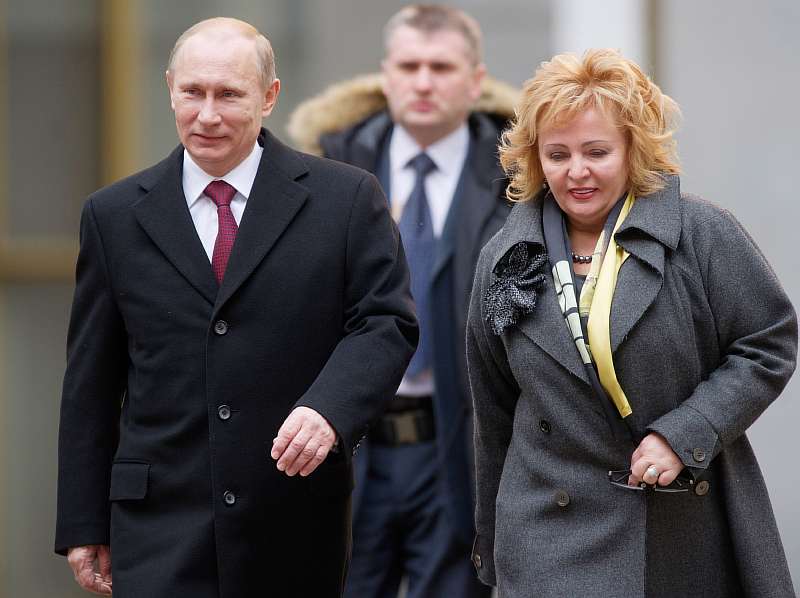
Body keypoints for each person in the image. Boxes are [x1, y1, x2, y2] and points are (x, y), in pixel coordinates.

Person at [54, 17, 417, 598]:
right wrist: (82, 522)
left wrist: (329, 409)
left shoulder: (345, 199)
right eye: (192, 92)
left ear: (269, 97)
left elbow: (385, 322)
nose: (207, 115)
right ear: (169, 87)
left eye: (228, 94)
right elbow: (91, 381)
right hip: (157, 524)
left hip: (291, 519)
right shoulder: (112, 216)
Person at [467, 48, 798, 597]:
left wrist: (686, 434)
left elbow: (768, 344)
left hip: (674, 521)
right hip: (546, 532)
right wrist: (492, 546)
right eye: (557, 154)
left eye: (597, 152)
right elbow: (493, 412)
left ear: (633, 149)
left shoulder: (701, 233)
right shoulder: (504, 256)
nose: (576, 172)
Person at [288, 5, 513, 597]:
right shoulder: (329, 168)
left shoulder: (519, 178)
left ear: (475, 80)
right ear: (385, 75)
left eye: (442, 67)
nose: (423, 82)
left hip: (459, 445)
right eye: (409, 66)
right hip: (348, 442)